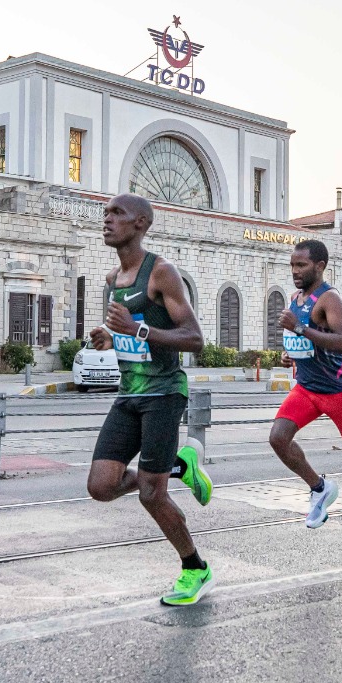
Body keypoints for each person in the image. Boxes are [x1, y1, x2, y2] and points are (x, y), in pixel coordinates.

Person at [86, 194, 217, 607]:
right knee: (101, 487)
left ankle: (195, 569)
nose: (106, 220)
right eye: (105, 213)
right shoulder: (111, 279)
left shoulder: (161, 273)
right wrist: (111, 337)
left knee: (150, 494)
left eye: (116, 214)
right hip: (129, 394)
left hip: (163, 393)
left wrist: (137, 332)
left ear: (140, 223)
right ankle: (180, 464)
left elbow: (194, 339)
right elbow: (131, 331)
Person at [269, 239, 342, 547]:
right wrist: (292, 355)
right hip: (308, 389)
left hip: (339, 390)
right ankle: (319, 487)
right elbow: (310, 343)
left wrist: (298, 330)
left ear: (320, 266)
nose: (295, 271)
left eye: (302, 265)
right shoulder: (297, 297)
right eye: (292, 265)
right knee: (278, 437)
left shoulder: (329, 298)